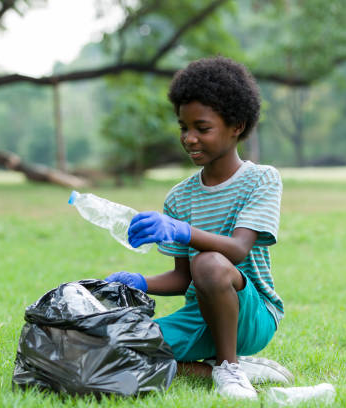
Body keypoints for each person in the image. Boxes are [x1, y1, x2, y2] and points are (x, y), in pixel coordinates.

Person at [105, 56, 292, 399]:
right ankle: (225, 367)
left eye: (201, 128)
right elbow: (185, 278)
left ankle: (230, 367)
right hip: (199, 315)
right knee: (120, 344)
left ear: (236, 125)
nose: (189, 138)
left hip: (252, 315)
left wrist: (181, 231)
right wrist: (139, 282)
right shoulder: (179, 197)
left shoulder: (261, 180)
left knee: (208, 260)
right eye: (183, 128)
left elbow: (236, 250)